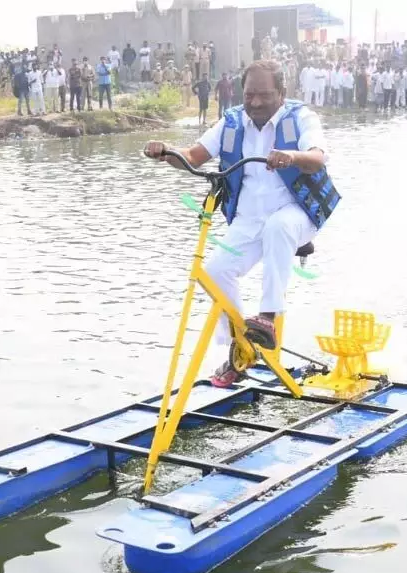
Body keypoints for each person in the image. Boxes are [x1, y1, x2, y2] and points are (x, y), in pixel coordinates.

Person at [143, 60, 340, 387]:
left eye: (264, 95)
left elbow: (318, 156)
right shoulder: (232, 122)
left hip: (297, 211)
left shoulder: (299, 117)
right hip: (249, 218)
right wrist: (165, 151)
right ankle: (241, 347)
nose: (256, 103)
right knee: (217, 272)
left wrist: (292, 157)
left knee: (279, 226)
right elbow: (193, 156)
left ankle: (268, 318)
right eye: (250, 95)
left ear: (282, 92)